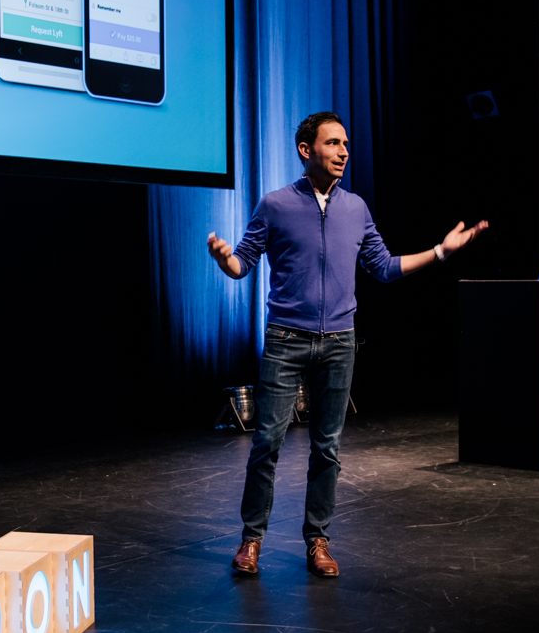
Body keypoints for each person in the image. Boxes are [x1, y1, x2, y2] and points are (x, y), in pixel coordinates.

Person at [207, 112, 487, 577]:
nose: (343, 151)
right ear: (306, 149)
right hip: (286, 340)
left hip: (340, 342)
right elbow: (243, 264)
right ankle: (251, 541)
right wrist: (224, 260)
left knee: (327, 448)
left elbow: (383, 266)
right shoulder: (275, 204)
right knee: (266, 444)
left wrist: (441, 252)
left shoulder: (356, 207)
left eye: (346, 144)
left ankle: (318, 540)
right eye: (333, 143)